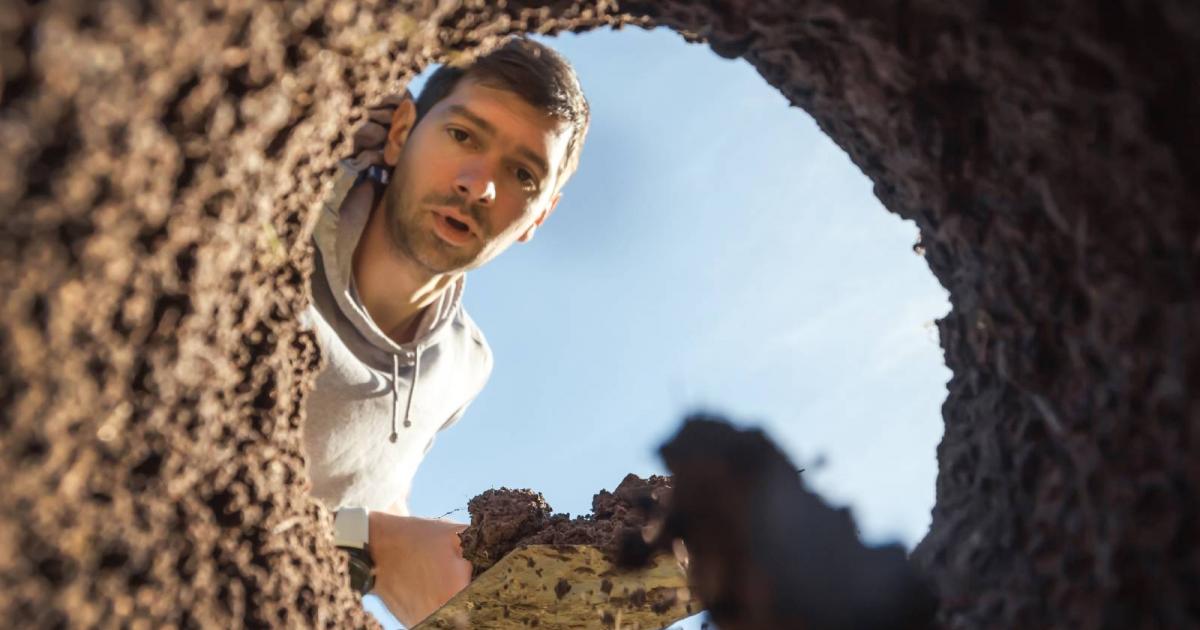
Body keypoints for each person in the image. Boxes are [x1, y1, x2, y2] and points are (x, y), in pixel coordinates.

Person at [298, 37, 589, 626]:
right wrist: (371, 548)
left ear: (541, 215)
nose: (479, 184)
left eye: (522, 173)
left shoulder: (464, 364)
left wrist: (444, 564)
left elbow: (374, 491)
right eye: (462, 135)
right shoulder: (271, 247)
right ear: (403, 130)